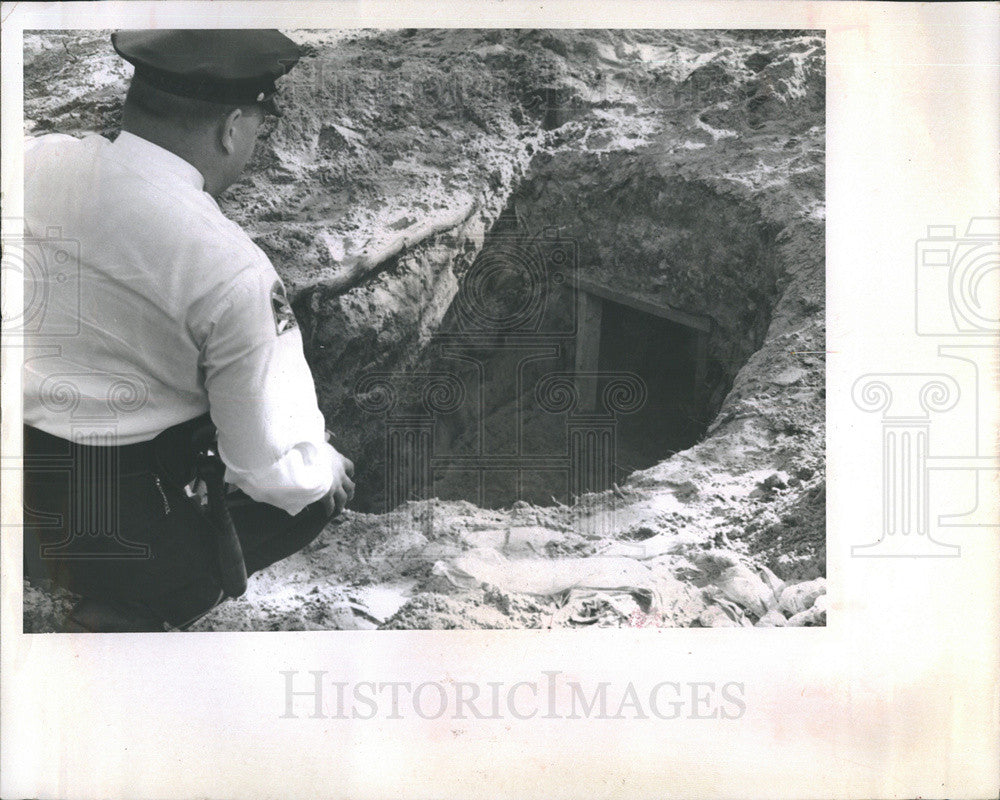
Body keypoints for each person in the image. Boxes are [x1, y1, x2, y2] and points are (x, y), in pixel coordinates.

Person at [22, 30, 355, 632]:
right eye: (256, 127)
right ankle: (129, 608)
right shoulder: (231, 270)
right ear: (231, 128)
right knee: (311, 491)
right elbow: (270, 467)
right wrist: (324, 466)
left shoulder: (32, 161)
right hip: (114, 533)